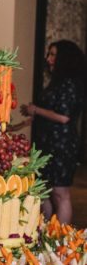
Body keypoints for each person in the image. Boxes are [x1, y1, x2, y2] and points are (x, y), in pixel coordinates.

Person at [20, 39, 85, 223]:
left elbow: (64, 117)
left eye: (53, 54)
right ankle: (46, 232)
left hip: (61, 146)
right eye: (49, 54)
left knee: (60, 194)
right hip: (48, 143)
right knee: (45, 191)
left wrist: (36, 110)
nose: (48, 58)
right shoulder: (58, 81)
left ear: (65, 58)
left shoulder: (70, 83)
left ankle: (61, 235)